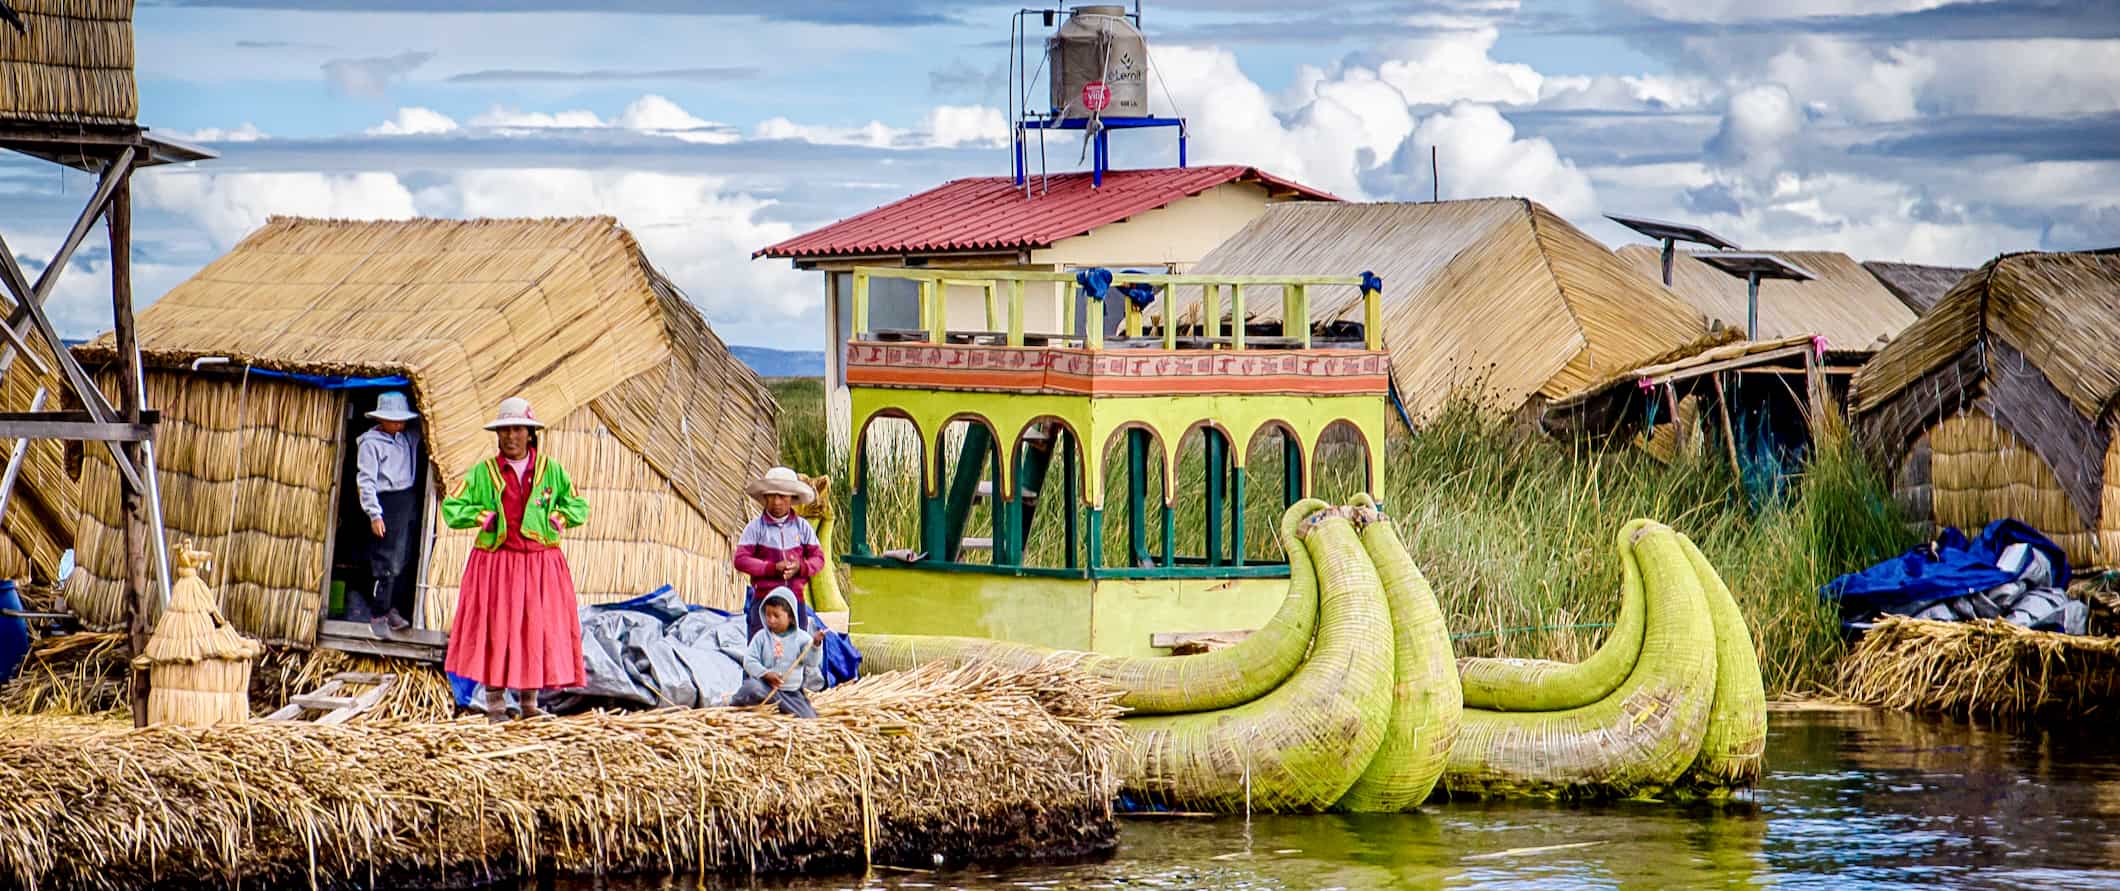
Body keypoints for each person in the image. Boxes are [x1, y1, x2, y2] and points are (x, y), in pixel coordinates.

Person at [441, 396, 590, 722]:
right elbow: (452, 508)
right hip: (496, 564)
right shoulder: (484, 473)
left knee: (534, 630)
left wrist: (561, 518)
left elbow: (579, 505)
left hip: (540, 564)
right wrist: (481, 516)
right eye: (505, 430)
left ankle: (529, 705)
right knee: (496, 628)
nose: (511, 437)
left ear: (530, 433)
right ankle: (495, 706)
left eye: (518, 430)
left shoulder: (552, 471)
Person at [354, 390, 422, 638]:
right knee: (386, 561)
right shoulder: (370, 444)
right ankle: (379, 612)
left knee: (403, 558)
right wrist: (375, 514)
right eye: (395, 420)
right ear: (381, 419)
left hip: (406, 499)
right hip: (386, 501)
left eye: (402, 420)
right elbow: (366, 480)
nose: (400, 424)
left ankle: (394, 609)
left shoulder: (405, 437)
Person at [732, 466, 825, 637]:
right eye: (771, 496)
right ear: (765, 497)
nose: (776, 502)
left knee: (795, 653)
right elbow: (741, 559)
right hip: (763, 603)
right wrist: (772, 568)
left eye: (782, 496)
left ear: (792, 498)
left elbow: (818, 559)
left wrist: (801, 567)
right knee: (761, 652)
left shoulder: (802, 527)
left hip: (795, 602)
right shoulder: (755, 528)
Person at [729, 588, 824, 718]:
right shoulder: (761, 637)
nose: (771, 620)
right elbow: (749, 660)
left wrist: (815, 646)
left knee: (809, 718)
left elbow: (812, 662)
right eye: (768, 615)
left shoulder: (802, 639)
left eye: (776, 616)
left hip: (790, 694)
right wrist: (765, 674)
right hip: (765, 688)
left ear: (790, 618)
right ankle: (734, 709)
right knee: (750, 688)